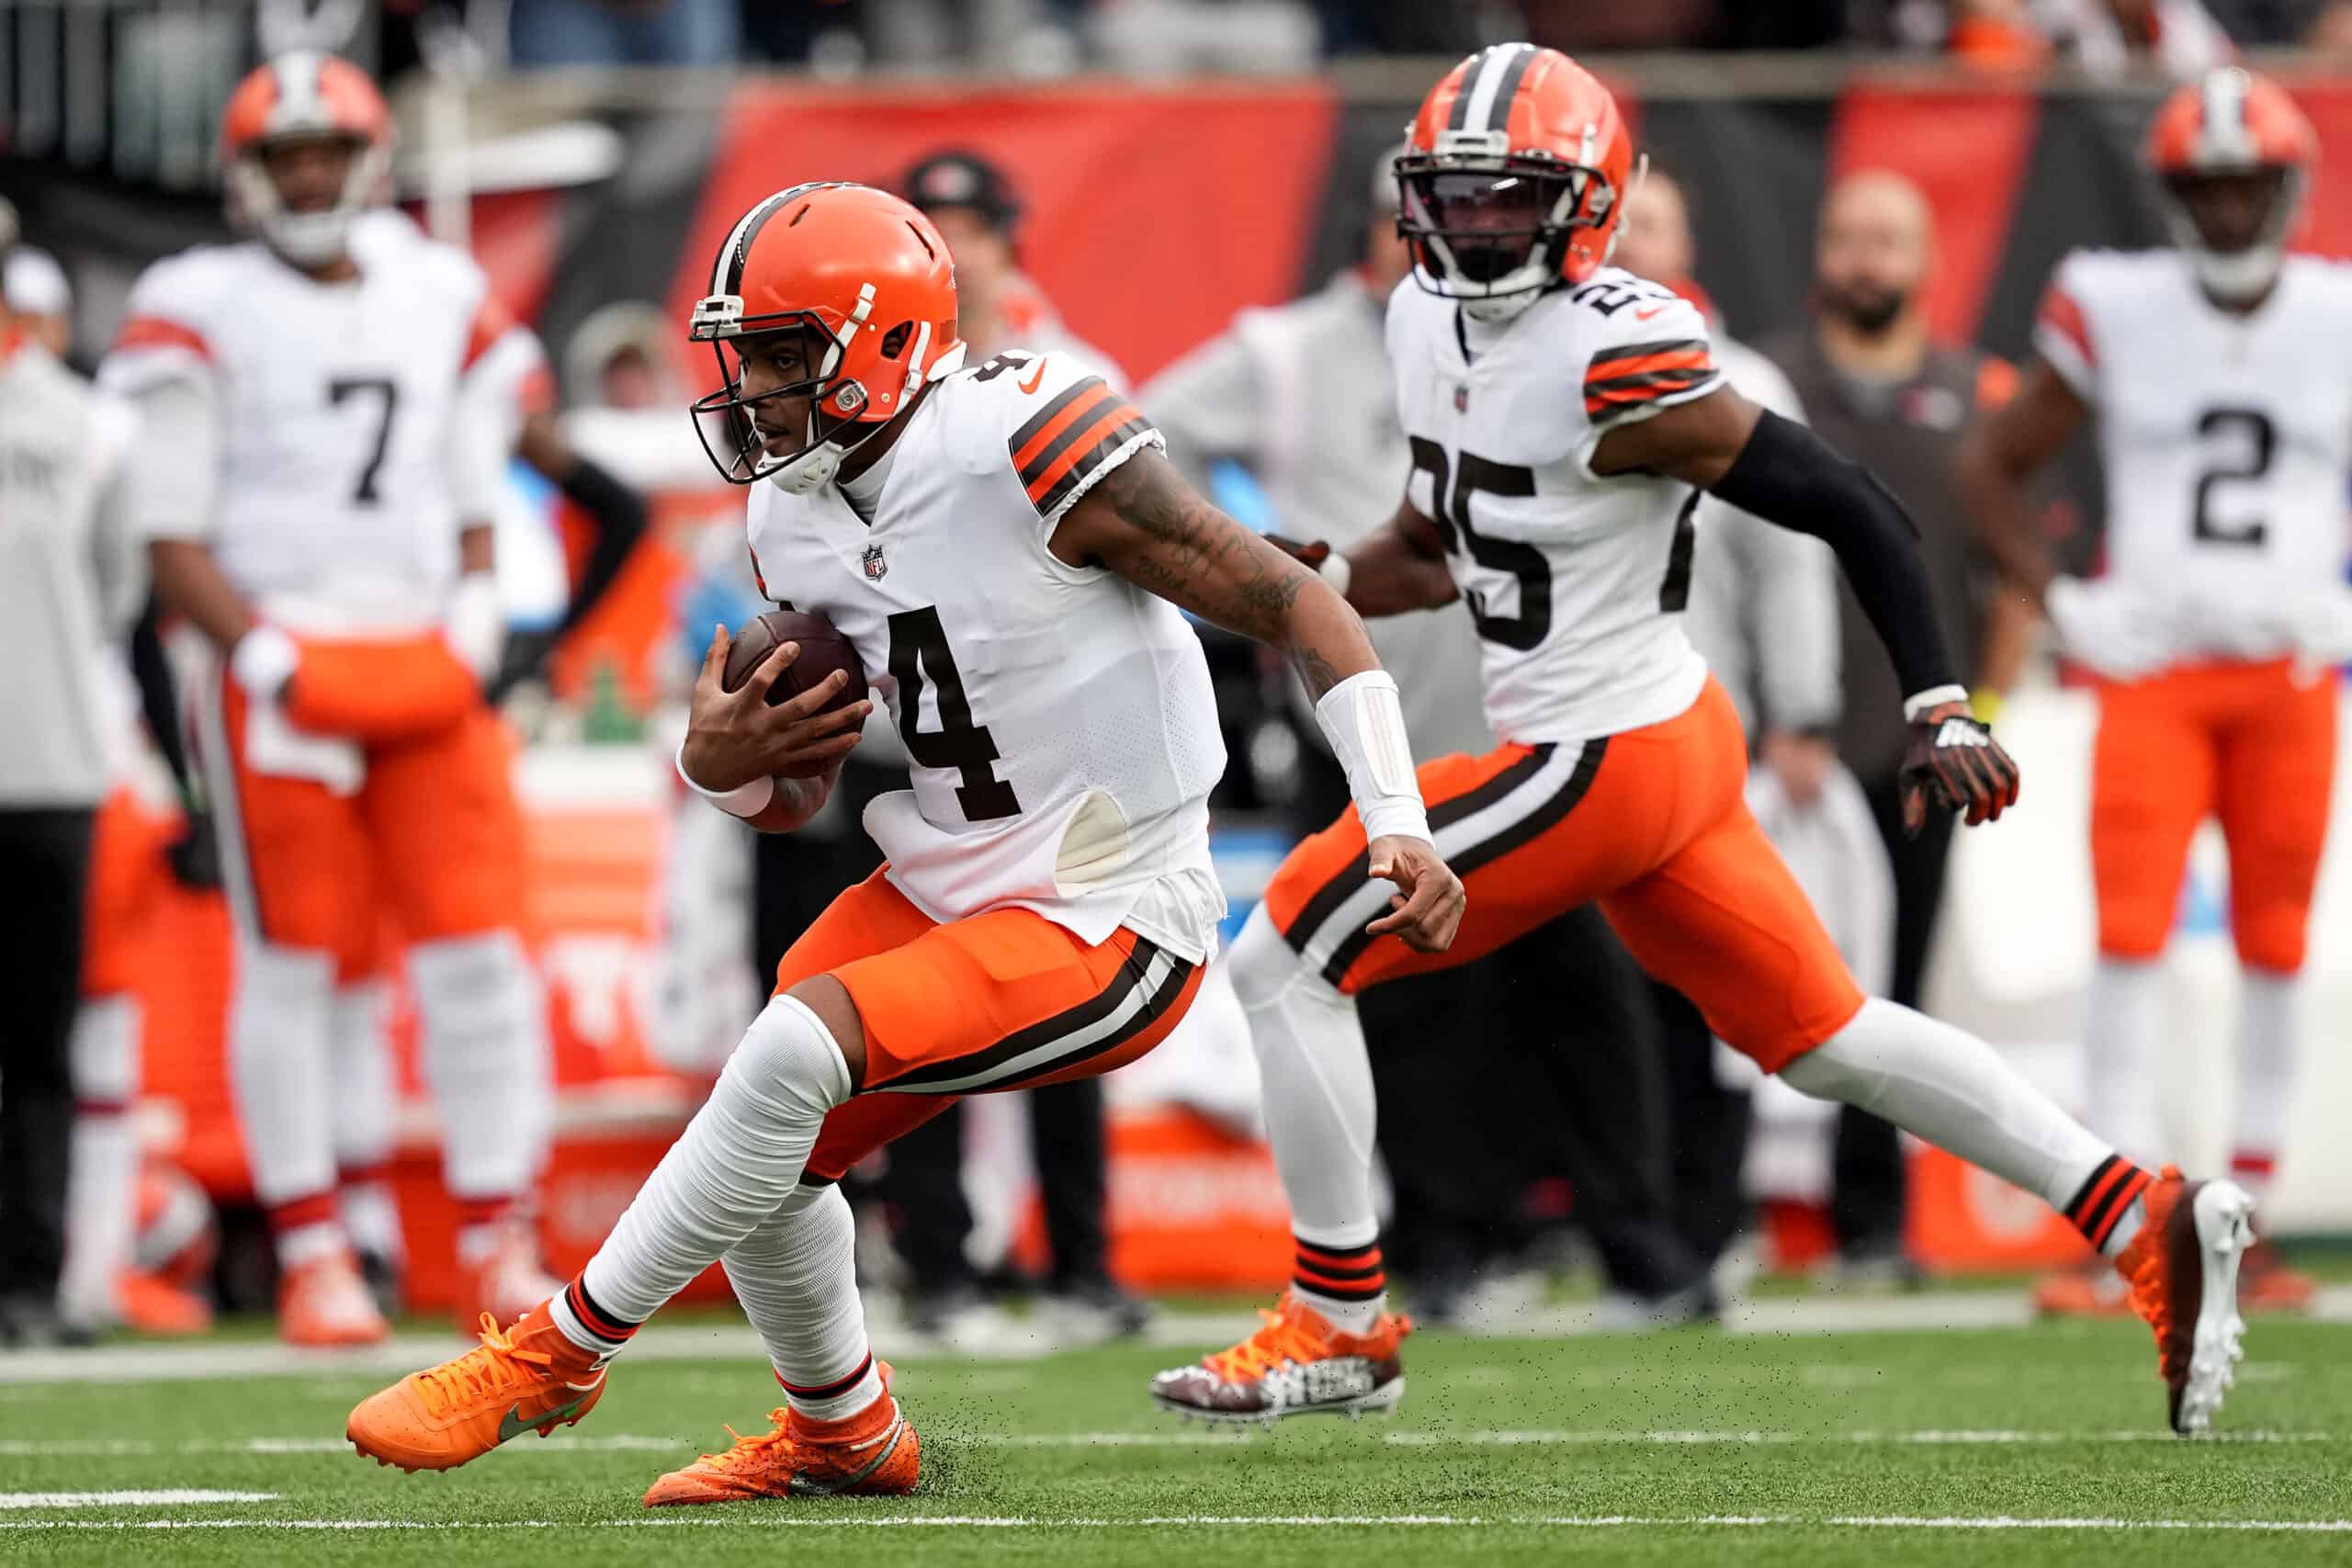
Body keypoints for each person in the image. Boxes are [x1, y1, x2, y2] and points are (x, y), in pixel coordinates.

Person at [1152, 43, 2251, 1438]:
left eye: (1512, 202)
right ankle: (2144, 1212)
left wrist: (1935, 699)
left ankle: (1340, 1320)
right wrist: (1287, 578)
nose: (1478, 229)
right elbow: (1436, 546)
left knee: (1286, 947)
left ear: (1592, 203)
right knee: (1828, 1034)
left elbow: (1851, 500)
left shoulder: (1622, 348)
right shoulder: (1425, 319)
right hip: (1645, 742)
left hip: (1600, 752)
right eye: (1458, 199)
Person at [343, 181, 1463, 1494]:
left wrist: (1397, 817)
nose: (750, 386)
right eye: (741, 352)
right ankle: (844, 1428)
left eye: (781, 351)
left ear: (878, 342)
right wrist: (721, 767)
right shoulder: (790, 512)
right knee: (764, 1140)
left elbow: (1298, 604)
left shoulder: (1024, 433)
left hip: (1106, 902)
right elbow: (795, 793)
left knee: (780, 1060)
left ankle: (556, 1349)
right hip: (945, 872)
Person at [1147, 144, 1710, 1322]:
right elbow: (1145, 446)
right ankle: (1447, 1239)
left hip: (1531, 711)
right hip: (1369, 723)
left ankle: (1633, 1236)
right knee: (1398, 995)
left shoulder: (1516, 336)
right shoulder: (1292, 348)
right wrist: (1251, 567)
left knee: (1585, 981)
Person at [98, 52, 558, 1346]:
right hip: (282, 659)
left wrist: (481, 604)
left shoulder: (440, 287)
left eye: (325, 151)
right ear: (247, 176)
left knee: (481, 957)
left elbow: (480, 482)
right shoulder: (195, 302)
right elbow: (167, 525)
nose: (309, 175)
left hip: (420, 650)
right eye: (284, 154)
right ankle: (315, 1247)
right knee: (297, 962)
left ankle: (498, 1235)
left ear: (369, 162)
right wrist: (250, 651)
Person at [1962, 67, 2338, 1316]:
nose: (2229, 214)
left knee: (2274, 945)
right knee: (2126, 935)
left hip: (2288, 667)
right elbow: (1992, 465)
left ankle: (2251, 1222)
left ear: (2286, 190)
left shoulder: (2336, 314)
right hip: (2157, 672)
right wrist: (2064, 602)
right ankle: (2123, 1226)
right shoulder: (2115, 302)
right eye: (2207, 190)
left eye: (2247, 188)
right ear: (2175, 197)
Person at [1758, 169, 2031, 1279]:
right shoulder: (1772, 384)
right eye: (1848, 236)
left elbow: (2015, 575)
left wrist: (1987, 711)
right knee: (1755, 973)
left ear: (1924, 259)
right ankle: (1736, 1217)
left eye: (1889, 238)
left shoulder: (1981, 393)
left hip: (1920, 744)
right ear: (1820, 252)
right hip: (1791, 739)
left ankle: (1872, 1224)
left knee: (1898, 990)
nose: (1867, 259)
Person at [1609, 164, 1851, 1278]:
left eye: (1649, 222)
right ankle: (1627, 1222)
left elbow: (1792, 558)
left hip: (1707, 731)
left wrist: (1801, 710)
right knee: (1599, 1001)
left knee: (1715, 989)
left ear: (1688, 240)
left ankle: (1707, 1220)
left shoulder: (1735, 379)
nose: (1628, 243)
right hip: (1576, 730)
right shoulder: (1539, 375)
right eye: (1614, 223)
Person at [0, 196, 143, 1347]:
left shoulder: (88, 422)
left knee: (42, 1040)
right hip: (47, 754)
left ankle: (34, 1280)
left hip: (49, 765)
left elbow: (116, 597)